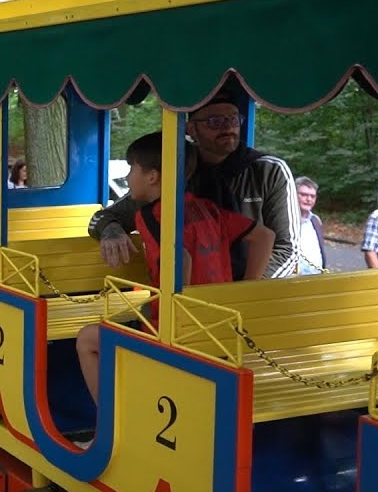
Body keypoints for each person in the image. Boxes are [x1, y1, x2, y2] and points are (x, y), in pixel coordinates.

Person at [75, 132, 273, 407]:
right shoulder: (206, 208)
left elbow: (181, 258)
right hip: (221, 324)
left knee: (87, 340)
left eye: (132, 169)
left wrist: (179, 313)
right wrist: (244, 289)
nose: (129, 177)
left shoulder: (150, 215)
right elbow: (264, 237)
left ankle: (109, 423)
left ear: (152, 176)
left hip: (178, 328)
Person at [88, 96, 299, 280]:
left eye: (233, 119)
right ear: (191, 129)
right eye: (214, 121)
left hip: (251, 294)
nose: (227, 127)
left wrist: (242, 292)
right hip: (192, 298)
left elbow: (286, 249)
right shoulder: (178, 171)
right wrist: (112, 231)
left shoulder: (268, 170)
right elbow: (105, 217)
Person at [295, 176, 326, 274]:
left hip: (316, 279)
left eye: (312, 196)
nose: (309, 199)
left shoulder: (316, 220)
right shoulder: (285, 221)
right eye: (304, 195)